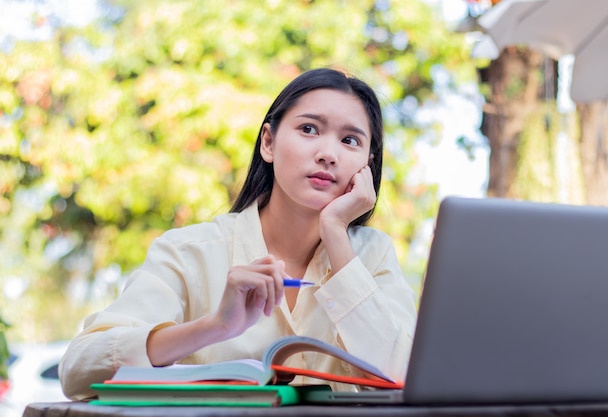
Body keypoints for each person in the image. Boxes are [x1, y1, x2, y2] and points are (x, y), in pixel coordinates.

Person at [59, 67, 417, 400]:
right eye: (309, 129)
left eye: (350, 140)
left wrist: (337, 234)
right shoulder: (188, 252)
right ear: (269, 143)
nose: (328, 154)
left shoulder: (373, 255)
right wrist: (214, 326)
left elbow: (406, 378)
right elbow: (78, 369)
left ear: (368, 164)